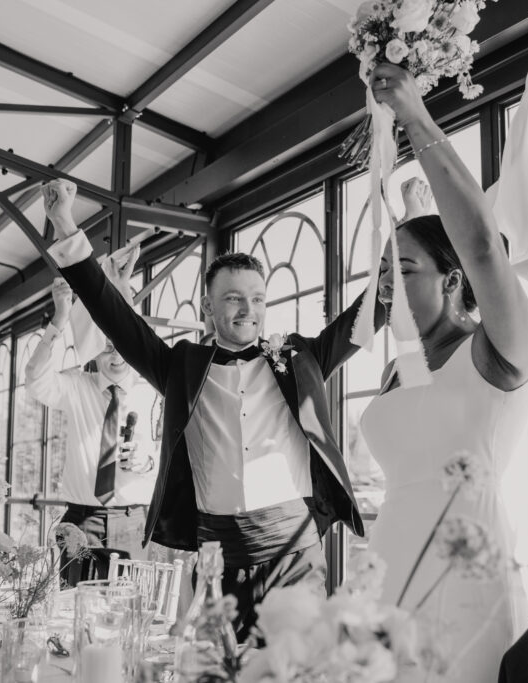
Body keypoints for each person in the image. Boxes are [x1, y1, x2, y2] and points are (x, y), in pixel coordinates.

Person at [41, 178, 385, 641]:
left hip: (295, 553)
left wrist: (407, 233)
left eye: (258, 298)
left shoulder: (300, 359)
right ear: (207, 306)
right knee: (214, 669)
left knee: (298, 670)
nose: (249, 309)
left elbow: (365, 319)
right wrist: (64, 223)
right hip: (216, 558)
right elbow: (114, 317)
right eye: (234, 298)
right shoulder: (180, 366)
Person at [359, 62, 528, 681]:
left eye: (404, 272)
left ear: (456, 278)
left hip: (467, 588)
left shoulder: (498, 354)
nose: (388, 287)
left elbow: (484, 243)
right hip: (388, 575)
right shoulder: (403, 368)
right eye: (385, 275)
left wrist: (416, 119)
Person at [24, 277, 158, 585]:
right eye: (107, 348)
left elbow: (176, 455)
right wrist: (60, 320)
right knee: (73, 615)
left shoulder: (153, 391)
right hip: (81, 521)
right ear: (94, 351)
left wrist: (148, 463)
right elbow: (35, 380)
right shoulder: (75, 386)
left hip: (134, 522)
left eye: (122, 347)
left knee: (129, 613)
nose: (116, 357)